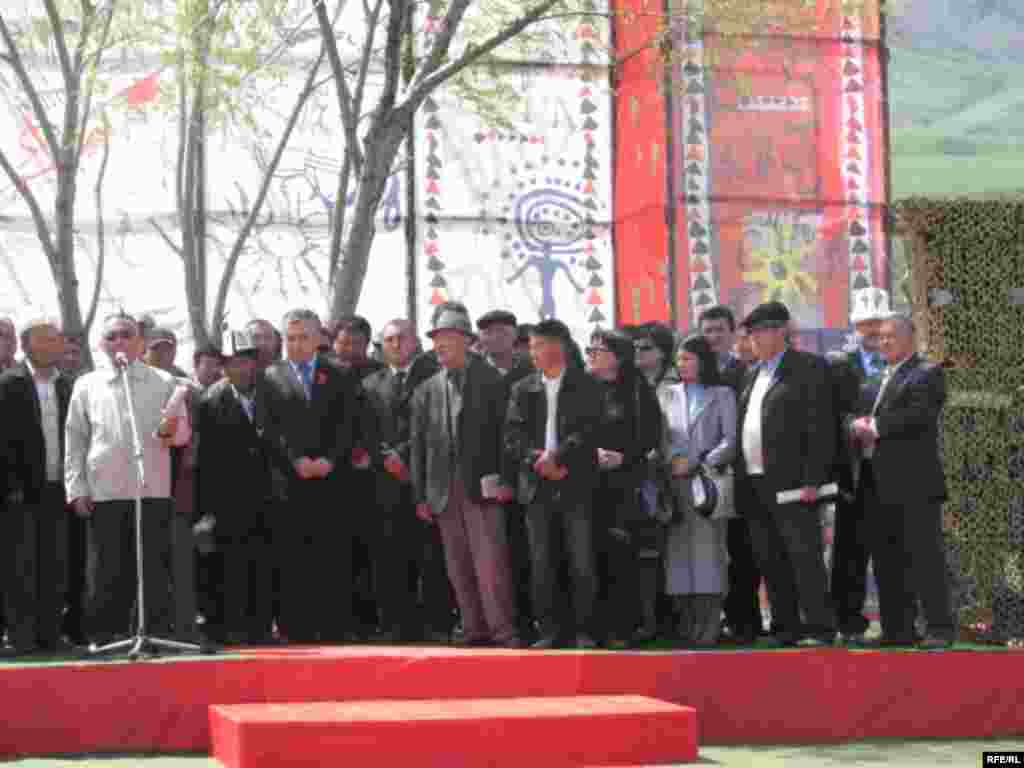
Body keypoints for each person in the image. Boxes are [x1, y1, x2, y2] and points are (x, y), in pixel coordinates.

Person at [64, 313, 191, 646]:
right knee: (107, 570)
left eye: (126, 335)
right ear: (102, 344)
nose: (119, 342)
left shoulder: (163, 381)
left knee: (153, 568)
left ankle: (155, 635)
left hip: (151, 489)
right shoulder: (86, 384)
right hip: (104, 490)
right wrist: (76, 488)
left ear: (140, 342)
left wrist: (172, 427)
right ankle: (104, 637)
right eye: (112, 337)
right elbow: (75, 439)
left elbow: (180, 439)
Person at [410, 309, 520, 648]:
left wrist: (505, 478)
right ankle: (473, 629)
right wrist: (420, 495)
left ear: (467, 342)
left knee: (490, 563)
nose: (439, 345)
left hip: (482, 486)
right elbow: (419, 445)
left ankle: (503, 631)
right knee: (457, 565)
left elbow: (508, 435)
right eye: (435, 340)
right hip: (442, 489)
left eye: (446, 339)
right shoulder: (426, 389)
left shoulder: (492, 381)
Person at [848, 314, 955, 650]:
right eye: (880, 337)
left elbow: (919, 415)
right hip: (874, 482)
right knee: (886, 558)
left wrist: (875, 427)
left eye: (891, 336)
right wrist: (855, 425)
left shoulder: (926, 373)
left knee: (925, 558)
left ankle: (938, 627)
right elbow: (854, 413)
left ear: (911, 337)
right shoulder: (875, 376)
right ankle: (897, 628)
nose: (885, 342)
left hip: (913, 483)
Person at [735, 301, 836, 647]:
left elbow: (820, 426)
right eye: (749, 334)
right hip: (755, 480)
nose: (753, 339)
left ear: (781, 331)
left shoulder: (808, 367)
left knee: (803, 556)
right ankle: (784, 627)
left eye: (759, 331)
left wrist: (813, 478)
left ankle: (821, 628)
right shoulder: (752, 373)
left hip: (793, 482)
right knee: (770, 558)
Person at [259, 309, 361, 643]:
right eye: (290, 338)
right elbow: (268, 429)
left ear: (319, 339)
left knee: (333, 555)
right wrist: (295, 461)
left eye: (304, 337)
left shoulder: (341, 374)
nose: (297, 344)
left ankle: (334, 627)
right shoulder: (270, 377)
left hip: (334, 481)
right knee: (292, 558)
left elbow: (349, 424)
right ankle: (295, 627)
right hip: (289, 484)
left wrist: (331, 459)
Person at [505, 320, 604, 649]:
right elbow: (512, 436)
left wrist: (559, 459)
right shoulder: (522, 388)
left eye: (537, 345)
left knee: (582, 560)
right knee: (541, 562)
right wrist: (538, 460)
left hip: (576, 481)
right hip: (536, 484)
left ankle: (585, 630)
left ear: (557, 346)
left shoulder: (587, 385)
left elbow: (590, 431)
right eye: (531, 346)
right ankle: (549, 630)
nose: (532, 352)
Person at [362, 319, 449, 641]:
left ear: (415, 341)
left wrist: (405, 455)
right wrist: (386, 457)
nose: (396, 344)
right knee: (389, 555)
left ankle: (436, 624)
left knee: (430, 555)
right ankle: (394, 625)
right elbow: (365, 430)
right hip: (385, 481)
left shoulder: (435, 378)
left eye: (402, 338)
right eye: (389, 340)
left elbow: (436, 426)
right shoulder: (371, 383)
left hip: (425, 477)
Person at [194, 330, 274, 645]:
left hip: (267, 496)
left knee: (264, 564)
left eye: (245, 361)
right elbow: (204, 461)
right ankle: (232, 629)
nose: (241, 368)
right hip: (227, 501)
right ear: (222, 366)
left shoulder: (269, 394)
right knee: (229, 568)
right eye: (232, 362)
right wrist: (207, 510)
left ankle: (261, 628)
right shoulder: (210, 401)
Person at [659, 335, 737, 647]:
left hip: (708, 485)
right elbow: (660, 436)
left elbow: (730, 440)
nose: (682, 364)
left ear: (703, 360)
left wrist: (701, 462)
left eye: (688, 358)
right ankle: (686, 625)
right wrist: (672, 460)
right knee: (677, 557)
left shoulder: (722, 394)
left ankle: (709, 626)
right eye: (679, 359)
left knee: (709, 556)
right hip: (675, 484)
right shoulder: (666, 393)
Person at [586, 328, 662, 646]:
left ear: (616, 357)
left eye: (597, 350)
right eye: (588, 349)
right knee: (589, 557)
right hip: (588, 484)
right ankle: (594, 627)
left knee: (622, 557)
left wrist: (623, 456)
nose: (590, 354)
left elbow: (650, 436)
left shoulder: (636, 389)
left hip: (624, 485)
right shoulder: (583, 388)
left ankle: (625, 627)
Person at [0, 319, 72, 655]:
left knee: (54, 565)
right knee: (20, 567)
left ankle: (50, 634)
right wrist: (10, 486)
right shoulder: (9, 383)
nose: (51, 344)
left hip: (58, 489)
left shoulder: (67, 386)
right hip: (20, 491)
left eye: (55, 339)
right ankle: (21, 636)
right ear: (26, 345)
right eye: (43, 339)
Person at [829, 288, 891, 640]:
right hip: (852, 468)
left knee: (891, 545)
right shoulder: (839, 363)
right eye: (865, 323)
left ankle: (899, 620)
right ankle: (848, 621)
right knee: (849, 548)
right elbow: (827, 412)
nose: (871, 330)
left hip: (891, 466)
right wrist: (851, 425)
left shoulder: (900, 361)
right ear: (854, 325)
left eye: (878, 323)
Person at [699, 306, 761, 644]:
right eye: (707, 331)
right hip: (699, 478)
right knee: (708, 552)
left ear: (733, 333)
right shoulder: (690, 375)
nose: (713, 337)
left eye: (719, 330)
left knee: (742, 552)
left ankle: (745, 622)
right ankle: (710, 622)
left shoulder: (745, 372)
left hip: (738, 476)